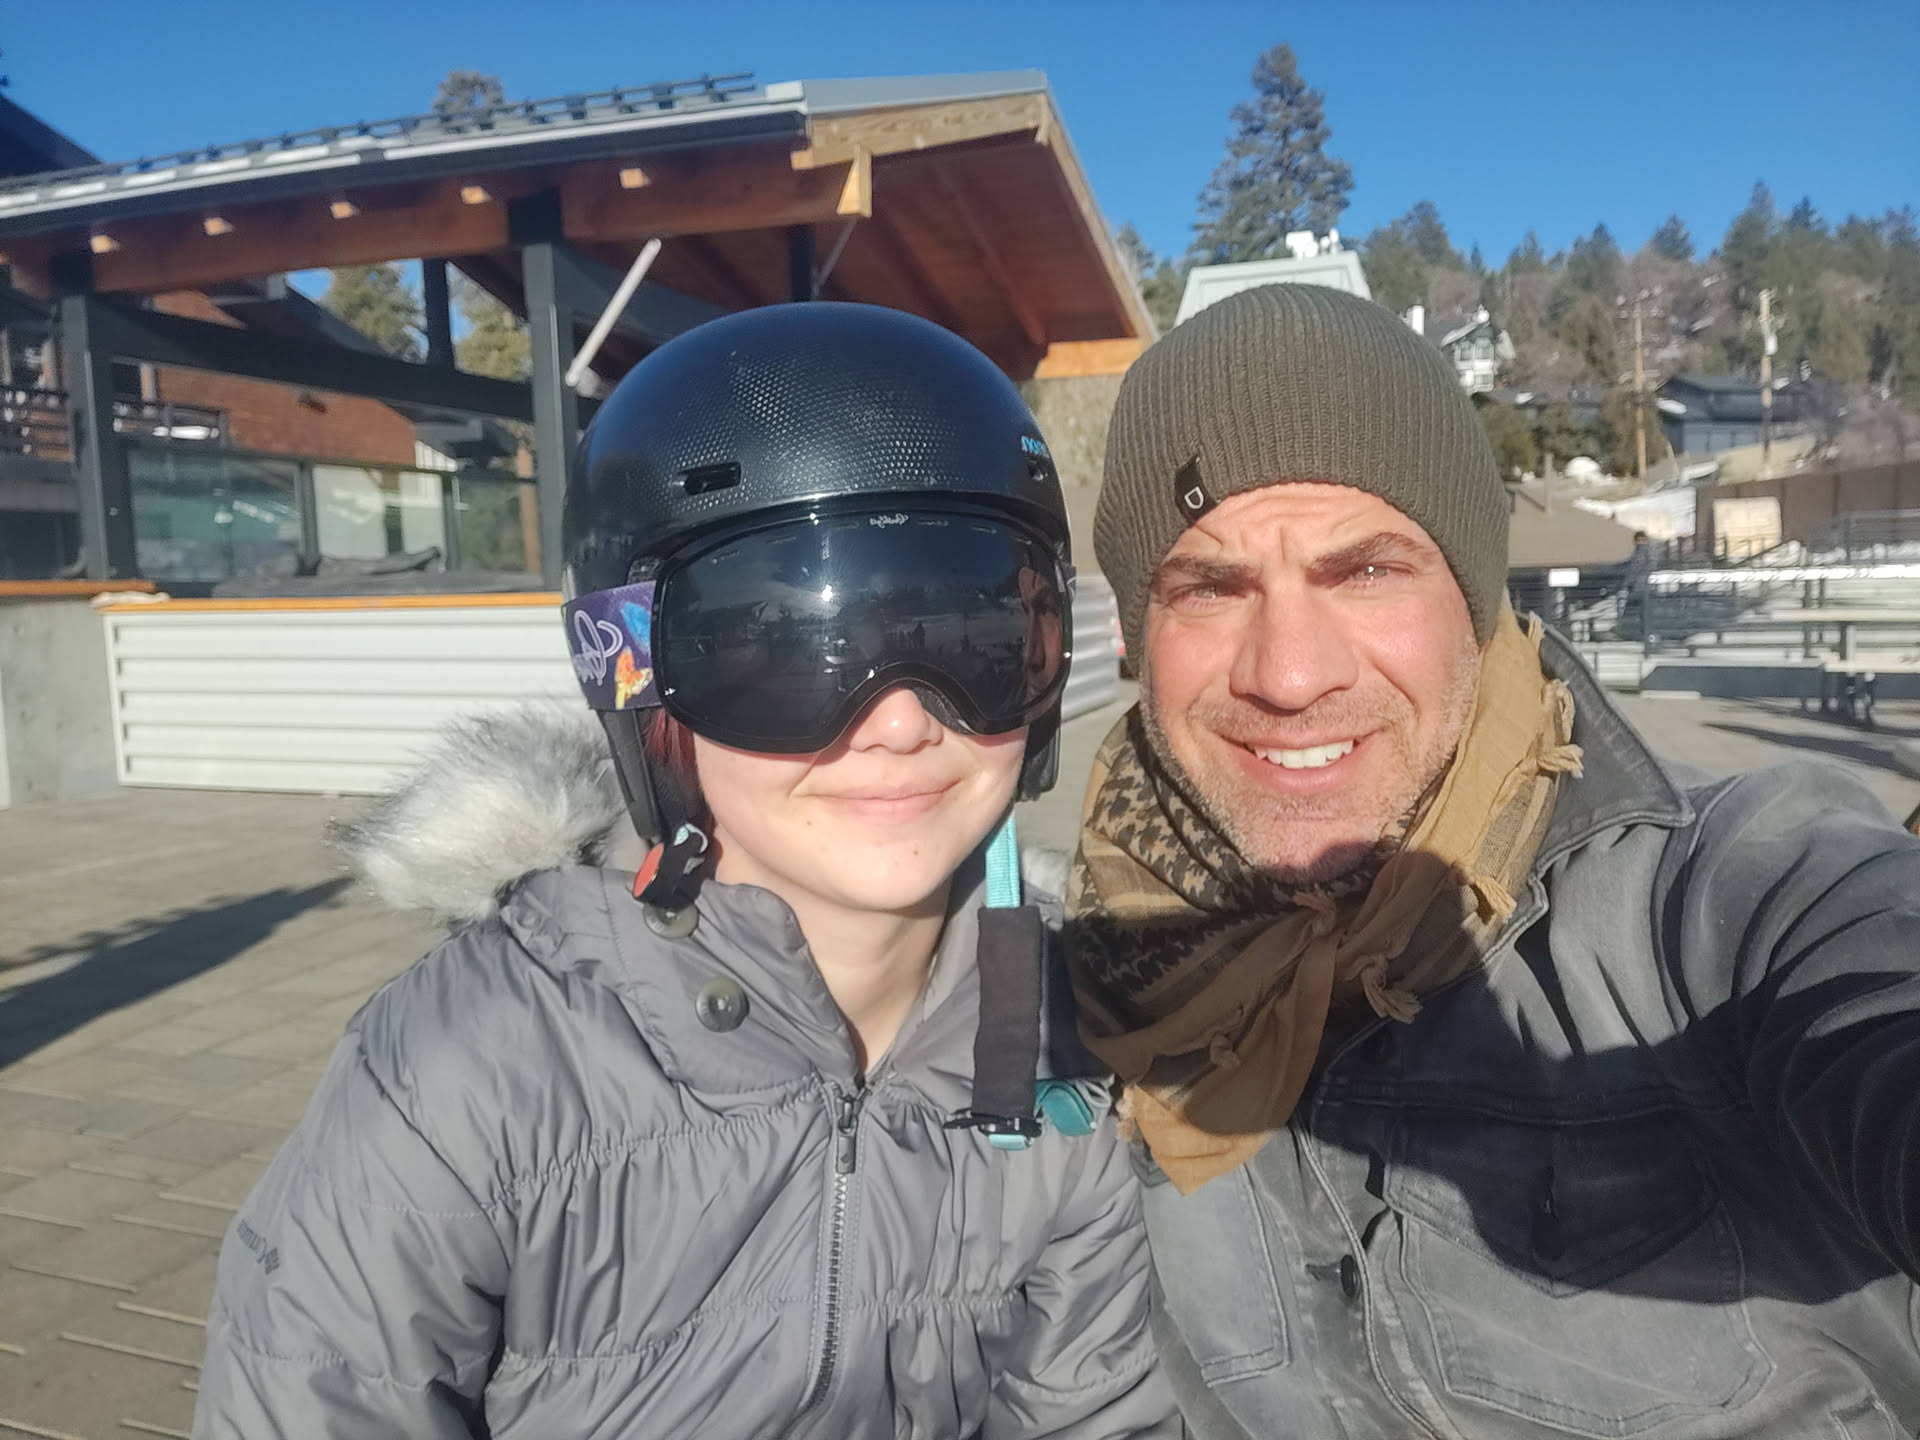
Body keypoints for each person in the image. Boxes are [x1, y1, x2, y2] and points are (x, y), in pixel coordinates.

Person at [194, 303, 1174, 1439]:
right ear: (645, 694)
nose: (903, 723)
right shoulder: (468, 1075)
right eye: (794, 650)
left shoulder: (1073, 1054)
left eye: (978, 639)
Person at [1066, 283, 1920, 1438]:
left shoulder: (1725, 894)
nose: (1290, 674)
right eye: (1210, 589)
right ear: (1134, 634)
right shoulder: (1085, 993)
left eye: (1366, 572)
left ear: (1473, 600)